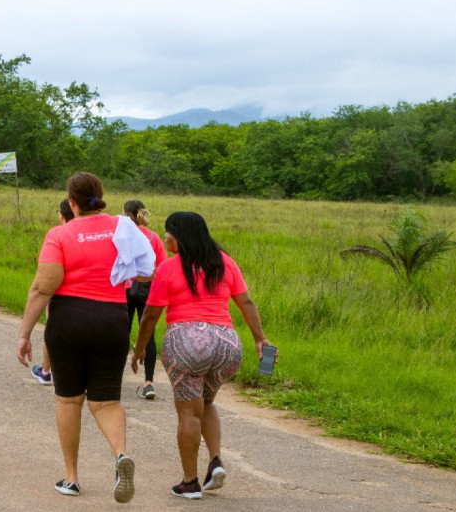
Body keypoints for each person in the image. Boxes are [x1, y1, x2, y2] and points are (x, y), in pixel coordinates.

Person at [16, 172, 152, 503]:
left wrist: (24, 334)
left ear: (72, 203)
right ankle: (120, 455)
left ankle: (72, 478)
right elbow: (147, 270)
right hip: (112, 320)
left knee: (68, 400)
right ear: (101, 196)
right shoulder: (124, 228)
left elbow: (42, 287)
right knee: (106, 401)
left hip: (69, 320)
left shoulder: (59, 234)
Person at [131, 211, 274, 500]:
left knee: (188, 412)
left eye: (168, 232)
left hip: (187, 343)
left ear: (179, 237)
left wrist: (139, 348)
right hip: (226, 345)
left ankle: (189, 482)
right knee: (205, 402)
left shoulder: (169, 268)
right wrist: (260, 339)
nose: (166, 237)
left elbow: (150, 314)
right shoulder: (224, 262)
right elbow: (245, 301)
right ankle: (216, 461)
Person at [123, 199, 168, 400]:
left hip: (124, 287)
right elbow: (163, 265)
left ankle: (113, 377)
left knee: (121, 332)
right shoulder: (153, 236)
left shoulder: (122, 235)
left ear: (126, 214)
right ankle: (148, 382)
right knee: (148, 331)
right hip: (148, 290)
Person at [32, 198, 75, 386]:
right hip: (81, 294)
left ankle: (46, 372)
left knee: (52, 332)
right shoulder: (84, 235)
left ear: (62, 214)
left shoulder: (57, 234)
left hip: (59, 292)